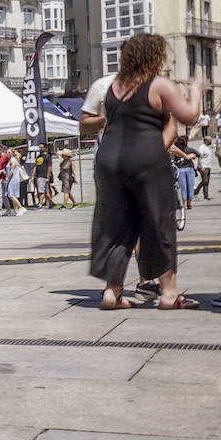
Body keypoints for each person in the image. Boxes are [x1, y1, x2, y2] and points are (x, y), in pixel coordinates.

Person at [89, 34, 204, 311]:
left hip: (109, 161)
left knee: (116, 225)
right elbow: (189, 116)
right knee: (158, 222)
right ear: (154, 57)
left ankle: (111, 292)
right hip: (146, 159)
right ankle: (168, 294)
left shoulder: (114, 87)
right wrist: (196, 89)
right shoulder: (159, 84)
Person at [170, 134, 198, 210]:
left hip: (180, 170)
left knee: (183, 187)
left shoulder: (175, 150)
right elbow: (197, 154)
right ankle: (189, 203)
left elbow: (171, 160)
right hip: (189, 169)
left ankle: (185, 204)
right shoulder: (189, 149)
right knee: (190, 186)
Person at [193, 135, 215, 200]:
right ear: (206, 141)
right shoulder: (201, 148)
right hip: (203, 166)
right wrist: (201, 166)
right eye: (210, 140)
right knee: (205, 180)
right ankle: (196, 191)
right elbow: (199, 157)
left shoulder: (208, 147)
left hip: (208, 166)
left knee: (207, 181)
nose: (211, 141)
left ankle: (206, 195)